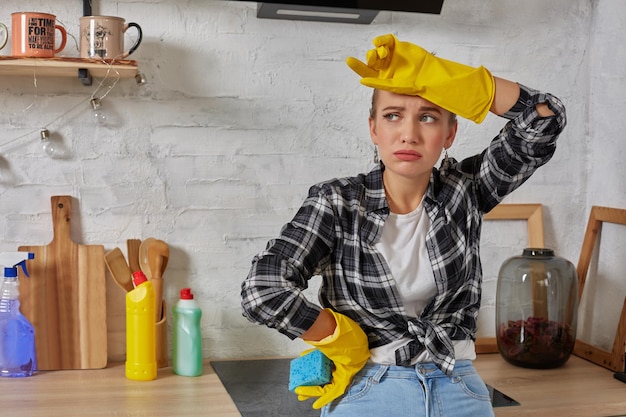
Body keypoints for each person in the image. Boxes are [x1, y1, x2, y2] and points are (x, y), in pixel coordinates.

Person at [241, 33, 566, 417]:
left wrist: (442, 76)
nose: (409, 133)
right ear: (374, 128)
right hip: (370, 386)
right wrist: (337, 335)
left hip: (457, 383)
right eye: (393, 115)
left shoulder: (466, 190)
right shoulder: (337, 202)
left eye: (427, 116)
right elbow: (262, 291)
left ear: (449, 134)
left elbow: (544, 117)